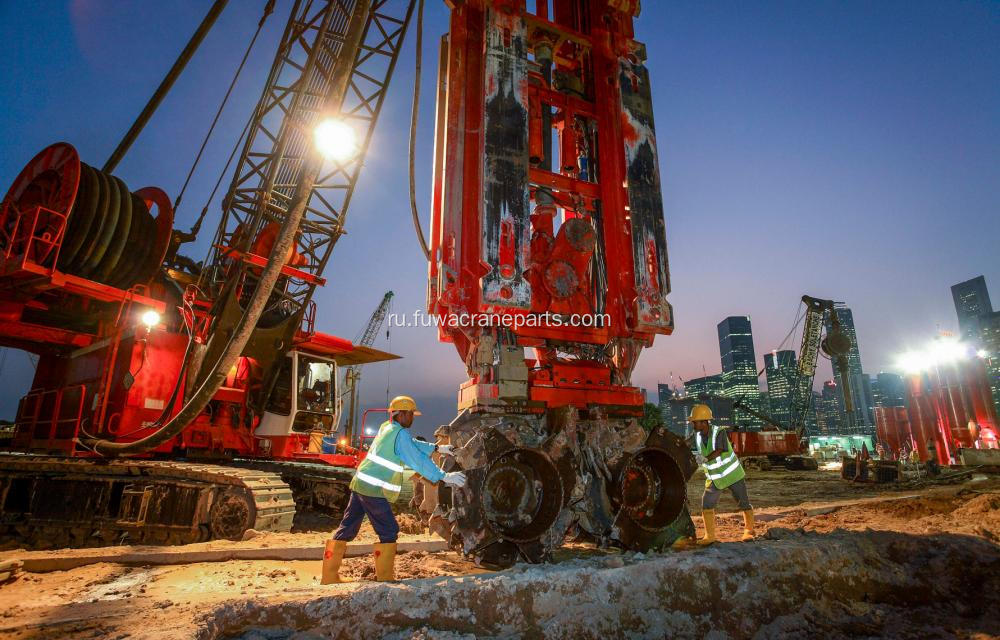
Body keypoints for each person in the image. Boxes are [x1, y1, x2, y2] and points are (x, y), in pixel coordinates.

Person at [321, 395, 467, 584]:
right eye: (412, 414)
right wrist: (444, 476)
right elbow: (416, 458)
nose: (413, 418)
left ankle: (329, 576)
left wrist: (438, 449)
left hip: (360, 483)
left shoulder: (387, 428)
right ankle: (385, 579)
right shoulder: (400, 434)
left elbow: (413, 444)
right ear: (404, 414)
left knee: (347, 528)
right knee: (389, 530)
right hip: (372, 487)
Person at [687, 403, 754, 545]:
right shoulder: (697, 435)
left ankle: (749, 531)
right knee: (707, 504)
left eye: (695, 421)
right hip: (715, 477)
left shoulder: (719, 432)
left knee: (743, 502)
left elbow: (719, 449)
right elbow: (686, 443)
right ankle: (709, 536)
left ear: (704, 422)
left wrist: (705, 458)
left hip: (732, 475)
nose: (693, 423)